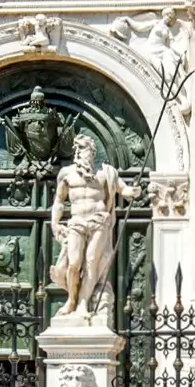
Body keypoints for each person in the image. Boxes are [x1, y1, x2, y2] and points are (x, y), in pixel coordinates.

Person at [47, 130, 123, 323]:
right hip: (77, 222)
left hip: (99, 221)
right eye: (76, 148)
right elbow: (59, 201)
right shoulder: (66, 174)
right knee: (73, 264)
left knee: (91, 261)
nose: (78, 151)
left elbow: (123, 188)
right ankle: (71, 300)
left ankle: (82, 303)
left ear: (92, 150)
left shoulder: (105, 173)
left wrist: (134, 191)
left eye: (82, 147)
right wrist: (55, 223)